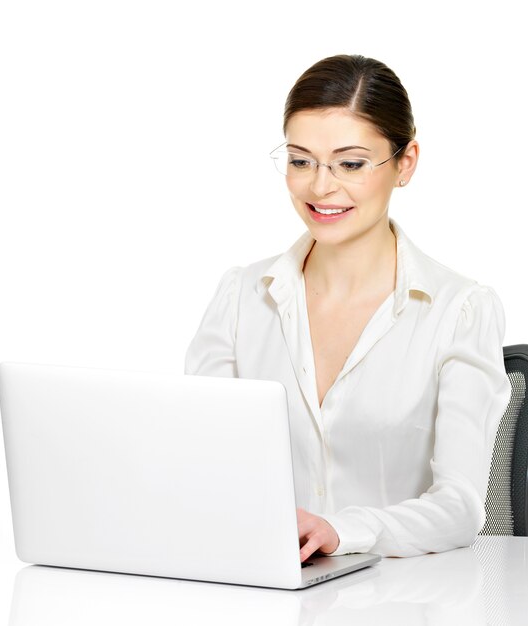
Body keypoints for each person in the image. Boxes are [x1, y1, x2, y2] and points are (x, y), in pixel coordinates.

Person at [184, 54, 511, 559]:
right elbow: (201, 463)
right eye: (300, 160)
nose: (320, 186)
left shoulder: (459, 309)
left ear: (405, 164)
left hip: (404, 599)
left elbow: (461, 508)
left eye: (351, 163)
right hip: (265, 590)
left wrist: (342, 531)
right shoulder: (241, 297)